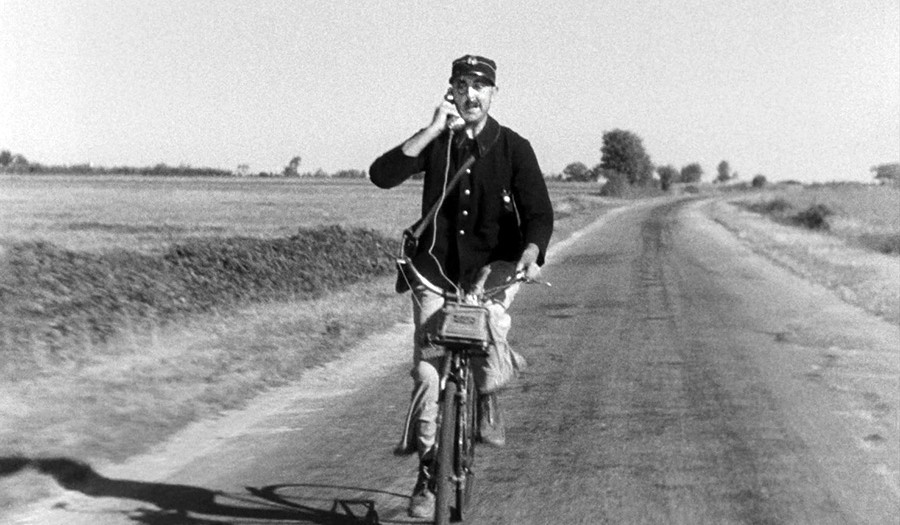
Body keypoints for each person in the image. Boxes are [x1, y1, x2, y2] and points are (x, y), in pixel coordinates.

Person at [369, 54, 553, 518]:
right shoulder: (439, 141)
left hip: (493, 268)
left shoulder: (513, 147)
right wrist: (432, 129)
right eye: (462, 85)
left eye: (480, 86)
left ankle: (486, 396)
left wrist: (531, 255)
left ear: (494, 93)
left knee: (490, 332)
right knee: (428, 372)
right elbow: (381, 175)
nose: (471, 94)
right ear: (451, 90)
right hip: (433, 267)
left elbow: (538, 212)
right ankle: (428, 471)